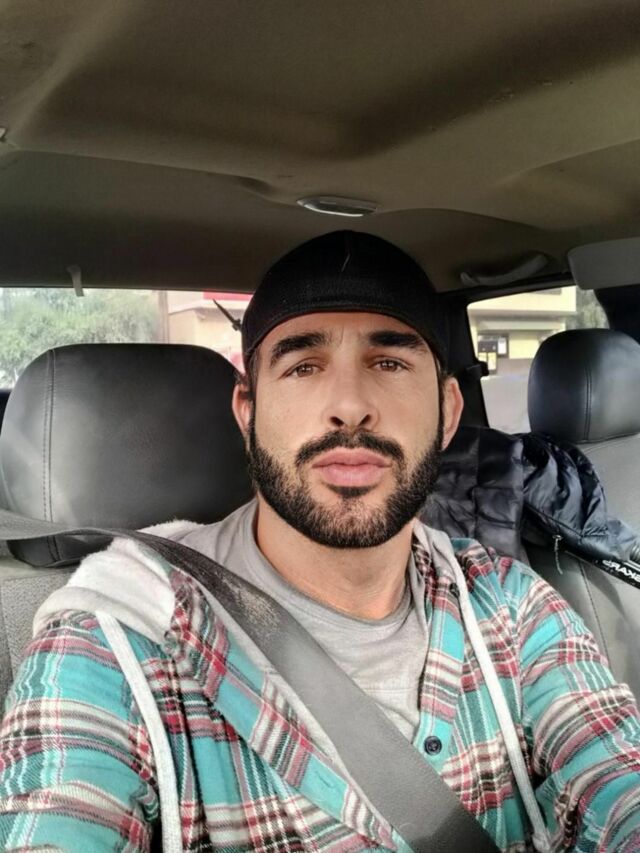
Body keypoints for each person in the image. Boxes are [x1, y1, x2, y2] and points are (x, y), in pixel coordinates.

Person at [1, 230, 640, 852]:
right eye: (303, 366)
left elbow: (617, 776)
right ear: (248, 412)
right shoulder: (119, 644)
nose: (350, 406)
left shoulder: (509, 605)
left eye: (389, 362)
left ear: (448, 411)